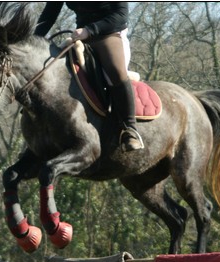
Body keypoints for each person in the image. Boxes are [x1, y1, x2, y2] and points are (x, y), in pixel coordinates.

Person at [35, 2, 144, 151]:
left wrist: (89, 30)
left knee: (115, 73)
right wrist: (31, 39)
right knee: (50, 68)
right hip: (80, 37)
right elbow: (48, 16)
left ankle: (129, 129)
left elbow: (120, 16)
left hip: (110, 33)